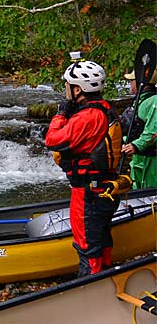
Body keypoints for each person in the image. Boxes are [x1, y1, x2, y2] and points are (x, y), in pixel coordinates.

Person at [45, 58, 121, 277]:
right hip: (104, 189)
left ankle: (91, 285)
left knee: (87, 243)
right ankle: (106, 276)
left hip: (88, 192)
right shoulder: (105, 109)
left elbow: (53, 140)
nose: (66, 90)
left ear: (78, 89)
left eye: (68, 85)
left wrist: (60, 114)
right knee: (102, 237)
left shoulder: (87, 117)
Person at [120, 69, 157, 188]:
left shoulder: (154, 101)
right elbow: (136, 128)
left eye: (132, 81)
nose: (130, 84)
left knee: (150, 193)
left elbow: (153, 130)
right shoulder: (140, 101)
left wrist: (136, 145)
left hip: (152, 161)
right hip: (139, 159)